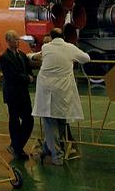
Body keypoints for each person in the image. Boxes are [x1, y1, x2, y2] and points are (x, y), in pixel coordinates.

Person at [29, 29, 90, 165]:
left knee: (50, 125)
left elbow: (35, 56)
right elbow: (86, 58)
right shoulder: (70, 48)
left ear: (51, 37)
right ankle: (47, 150)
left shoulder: (46, 47)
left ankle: (57, 156)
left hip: (46, 92)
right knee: (61, 122)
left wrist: (28, 56)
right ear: (63, 37)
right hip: (63, 93)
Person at [0, 30, 35, 160]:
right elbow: (11, 76)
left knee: (29, 120)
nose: (17, 41)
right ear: (8, 41)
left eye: (18, 39)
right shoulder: (4, 58)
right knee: (14, 121)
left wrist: (30, 78)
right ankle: (18, 149)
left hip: (23, 93)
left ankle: (16, 145)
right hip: (12, 94)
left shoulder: (23, 56)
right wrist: (27, 79)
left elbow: (29, 71)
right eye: (15, 39)